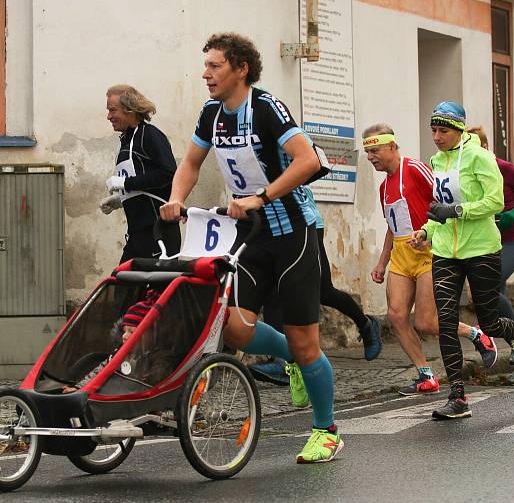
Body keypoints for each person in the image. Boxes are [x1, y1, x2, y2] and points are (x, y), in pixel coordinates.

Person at [160, 33, 342, 463]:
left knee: (306, 340)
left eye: (215, 66)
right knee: (235, 325)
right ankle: (292, 362)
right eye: (205, 66)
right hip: (251, 235)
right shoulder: (211, 114)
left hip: (294, 233)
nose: (206, 74)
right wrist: (176, 199)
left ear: (241, 68)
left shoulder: (267, 108)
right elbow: (190, 162)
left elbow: (309, 160)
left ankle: (326, 429)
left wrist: (262, 197)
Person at [409, 101, 514, 419]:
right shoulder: (438, 161)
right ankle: (458, 398)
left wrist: (458, 211)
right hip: (446, 251)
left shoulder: (480, 157)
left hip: (482, 248)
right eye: (433, 130)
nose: (436, 136)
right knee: (446, 321)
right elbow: (441, 208)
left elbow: (493, 202)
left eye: (443, 130)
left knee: (489, 321)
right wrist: (427, 230)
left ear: (458, 129)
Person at [365, 124, 497, 396]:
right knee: (396, 315)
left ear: (392, 146)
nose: (371, 157)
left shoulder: (415, 169)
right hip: (402, 253)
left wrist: (432, 232)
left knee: (426, 322)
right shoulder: (383, 187)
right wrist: (382, 263)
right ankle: (425, 375)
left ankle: (477, 335)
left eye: (375, 150)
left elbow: (442, 198)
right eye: (367, 152)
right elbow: (392, 225)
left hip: (429, 248)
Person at [250, 185, 383, 386]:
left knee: (323, 291)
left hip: (304, 221)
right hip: (271, 223)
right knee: (273, 292)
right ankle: (281, 362)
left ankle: (365, 324)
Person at [466, 126, 514, 385]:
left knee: (487, 290)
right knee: (497, 295)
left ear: (485, 147)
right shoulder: (467, 173)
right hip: (484, 245)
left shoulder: (503, 167)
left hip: (511, 243)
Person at [103, 85, 180, 263]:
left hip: (158, 231)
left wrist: (126, 184)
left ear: (130, 110)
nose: (109, 117)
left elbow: (168, 173)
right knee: (121, 286)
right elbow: (143, 184)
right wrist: (121, 200)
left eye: (113, 110)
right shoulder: (125, 141)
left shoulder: (150, 135)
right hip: (137, 233)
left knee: (157, 291)